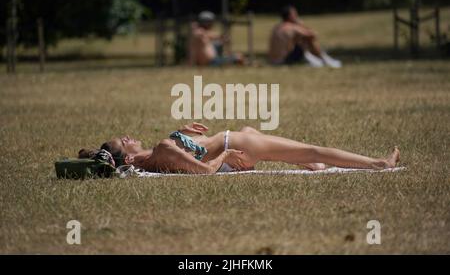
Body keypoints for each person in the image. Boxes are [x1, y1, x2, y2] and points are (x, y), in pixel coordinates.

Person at [80, 122, 400, 174]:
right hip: (236, 145)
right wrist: (225, 155)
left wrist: (181, 133)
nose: (128, 136)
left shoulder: (154, 156)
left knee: (250, 128)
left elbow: (188, 156)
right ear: (130, 156)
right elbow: (205, 170)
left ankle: (309, 166)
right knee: (314, 149)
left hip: (238, 141)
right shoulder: (161, 149)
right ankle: (378, 164)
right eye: (124, 142)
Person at [269, 5, 342, 67]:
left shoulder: (277, 27)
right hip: (283, 61)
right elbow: (312, 35)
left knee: (299, 39)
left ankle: (315, 60)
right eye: (295, 14)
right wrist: (300, 24)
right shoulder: (291, 27)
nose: (296, 15)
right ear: (290, 16)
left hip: (274, 61)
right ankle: (326, 60)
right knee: (307, 39)